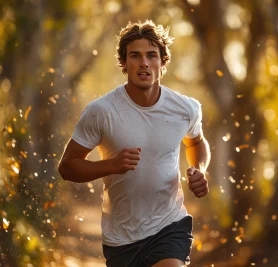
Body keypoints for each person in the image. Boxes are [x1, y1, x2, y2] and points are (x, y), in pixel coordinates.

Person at [58, 20, 211, 267]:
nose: (144, 63)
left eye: (152, 55)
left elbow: (196, 142)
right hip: (121, 237)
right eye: (135, 56)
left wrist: (200, 170)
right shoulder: (101, 111)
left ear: (163, 62)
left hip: (169, 225)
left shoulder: (185, 108)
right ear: (124, 63)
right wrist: (111, 165)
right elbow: (67, 167)